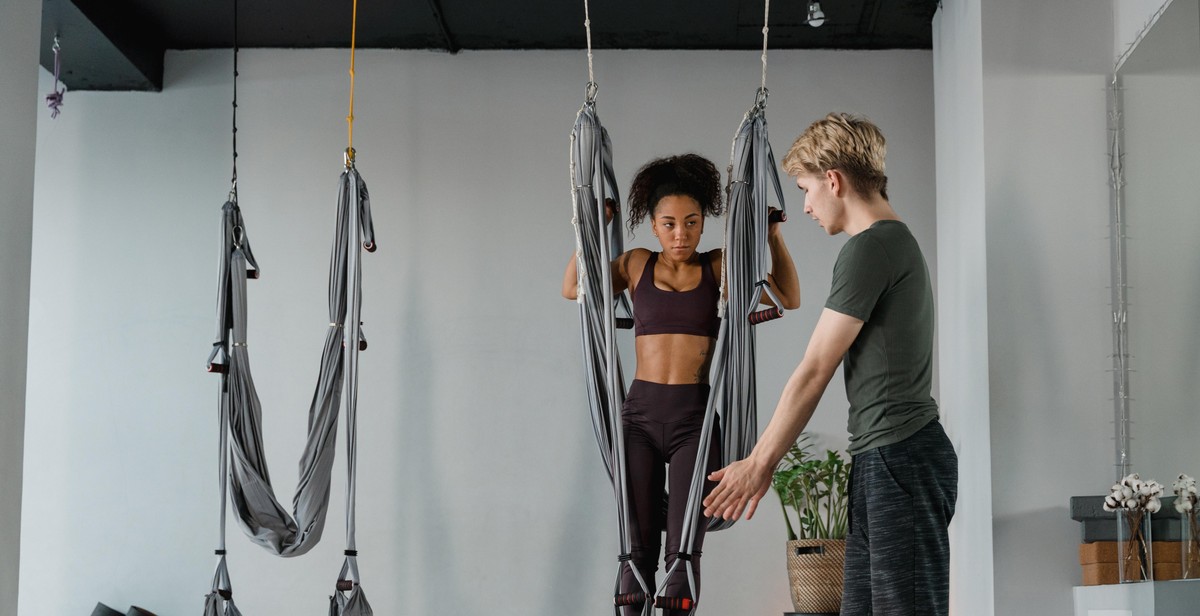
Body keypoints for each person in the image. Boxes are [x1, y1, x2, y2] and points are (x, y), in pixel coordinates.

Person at [702, 113, 958, 616]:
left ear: (834, 180)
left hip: (899, 455)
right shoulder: (888, 244)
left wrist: (760, 463)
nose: (805, 205)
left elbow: (815, 368)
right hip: (884, 455)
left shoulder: (872, 247)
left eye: (806, 188)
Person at [563, 153, 800, 614]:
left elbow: (787, 296)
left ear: (703, 224)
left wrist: (772, 236)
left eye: (691, 223)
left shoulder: (717, 266)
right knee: (634, 564)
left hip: (694, 421)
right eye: (669, 224)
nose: (680, 234)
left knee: (681, 565)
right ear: (652, 225)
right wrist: (588, 231)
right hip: (638, 420)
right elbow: (575, 288)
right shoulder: (634, 265)